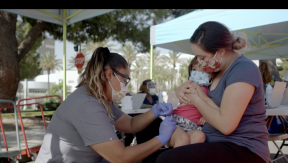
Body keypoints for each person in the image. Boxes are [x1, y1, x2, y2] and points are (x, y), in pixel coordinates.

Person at [143, 21, 269, 163]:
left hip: (242, 147)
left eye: (203, 57)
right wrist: (181, 90)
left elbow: (226, 126)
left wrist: (196, 98)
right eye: (197, 57)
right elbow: (196, 89)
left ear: (220, 52)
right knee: (150, 159)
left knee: (168, 160)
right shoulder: (216, 70)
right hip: (211, 140)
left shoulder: (243, 69)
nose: (199, 62)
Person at [35, 47, 176, 163]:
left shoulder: (100, 99)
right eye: (125, 80)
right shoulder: (87, 104)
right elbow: (120, 157)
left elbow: (130, 124)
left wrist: (154, 112)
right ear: (109, 75)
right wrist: (161, 139)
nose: (125, 85)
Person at [167, 56, 219, 148]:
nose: (198, 73)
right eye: (194, 69)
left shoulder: (209, 88)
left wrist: (206, 115)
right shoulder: (192, 85)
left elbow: (203, 105)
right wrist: (220, 113)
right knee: (182, 139)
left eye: (203, 70)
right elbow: (206, 100)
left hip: (193, 126)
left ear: (212, 74)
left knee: (199, 136)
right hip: (179, 123)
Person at [125, 79, 163, 147]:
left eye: (153, 86)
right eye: (150, 86)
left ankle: (158, 144)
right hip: (140, 118)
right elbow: (137, 104)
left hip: (152, 118)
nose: (152, 87)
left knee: (160, 122)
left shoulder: (154, 96)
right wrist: (152, 106)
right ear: (145, 87)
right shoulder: (140, 95)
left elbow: (159, 104)